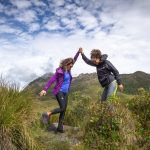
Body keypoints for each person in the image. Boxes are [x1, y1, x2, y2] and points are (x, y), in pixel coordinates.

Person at [39, 50, 80, 133]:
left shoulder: (69, 70)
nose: (71, 65)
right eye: (70, 64)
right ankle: (48, 113)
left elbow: (74, 60)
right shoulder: (59, 71)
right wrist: (44, 89)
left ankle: (60, 127)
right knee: (62, 108)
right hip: (59, 91)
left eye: (72, 64)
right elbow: (51, 80)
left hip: (66, 92)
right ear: (66, 64)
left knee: (63, 110)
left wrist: (78, 53)